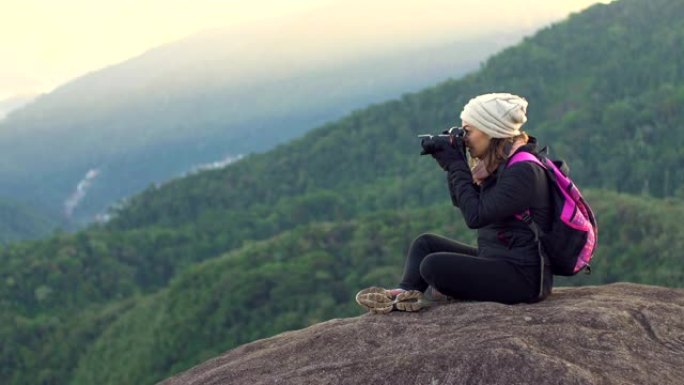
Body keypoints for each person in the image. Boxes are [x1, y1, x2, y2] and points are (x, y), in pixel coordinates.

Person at [356, 92, 554, 314]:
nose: (464, 138)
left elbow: (475, 216)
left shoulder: (523, 171)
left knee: (433, 266)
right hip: (497, 258)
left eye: (467, 131)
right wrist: (449, 164)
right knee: (426, 244)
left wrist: (456, 165)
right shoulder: (500, 164)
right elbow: (462, 202)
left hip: (523, 277)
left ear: (491, 131)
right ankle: (404, 293)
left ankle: (430, 295)